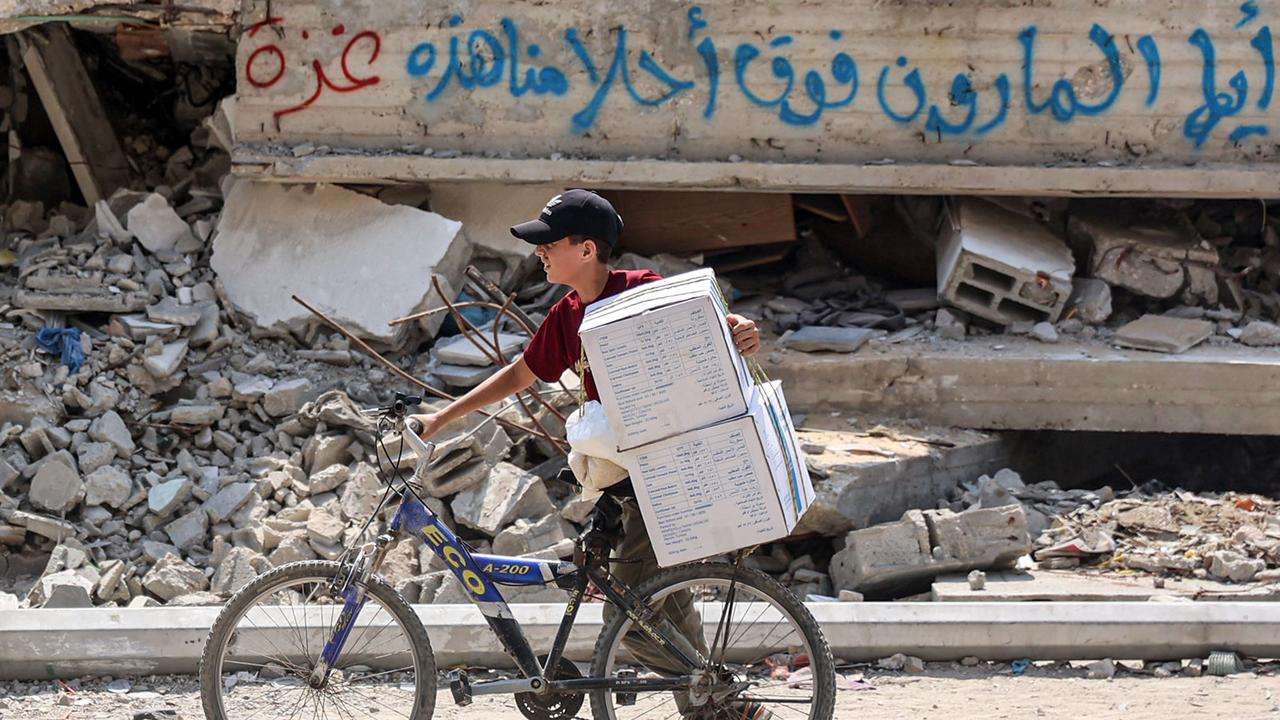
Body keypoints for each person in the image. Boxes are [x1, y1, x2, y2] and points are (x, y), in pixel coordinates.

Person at [410, 189, 764, 717]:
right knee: (670, 603)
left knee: (634, 619)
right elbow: (521, 374)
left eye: (550, 243)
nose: (540, 253)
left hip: (669, 480)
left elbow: (704, 327)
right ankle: (714, 709)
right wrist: (440, 417)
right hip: (625, 481)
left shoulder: (641, 291)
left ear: (588, 249)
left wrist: (738, 329)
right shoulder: (566, 315)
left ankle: (722, 700)